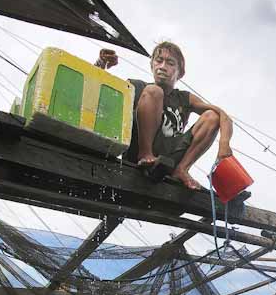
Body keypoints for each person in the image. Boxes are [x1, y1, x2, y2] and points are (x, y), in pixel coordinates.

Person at [95, 41, 235, 191]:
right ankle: (146, 153)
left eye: (170, 63)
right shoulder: (138, 86)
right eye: (158, 61)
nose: (162, 67)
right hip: (136, 155)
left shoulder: (184, 98)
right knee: (154, 91)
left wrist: (224, 144)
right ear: (152, 65)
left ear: (180, 73)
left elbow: (222, 115)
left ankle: (182, 169)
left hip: (169, 159)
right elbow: (100, 94)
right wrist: (101, 63)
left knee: (212, 116)